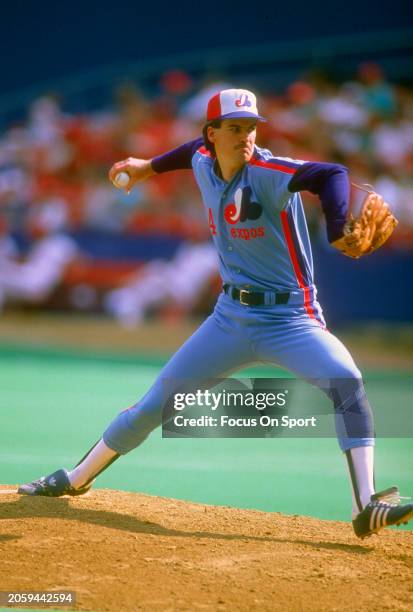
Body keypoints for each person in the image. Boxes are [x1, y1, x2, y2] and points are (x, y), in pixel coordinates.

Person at [18, 88, 412, 539]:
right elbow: (191, 152)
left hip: (291, 321)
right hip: (229, 319)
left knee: (348, 383)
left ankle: (367, 506)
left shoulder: (267, 170)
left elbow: (331, 174)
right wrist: (148, 167)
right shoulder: (205, 161)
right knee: (153, 407)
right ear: (213, 134)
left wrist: (339, 224)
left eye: (250, 127)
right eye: (234, 128)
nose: (245, 136)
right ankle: (76, 478)